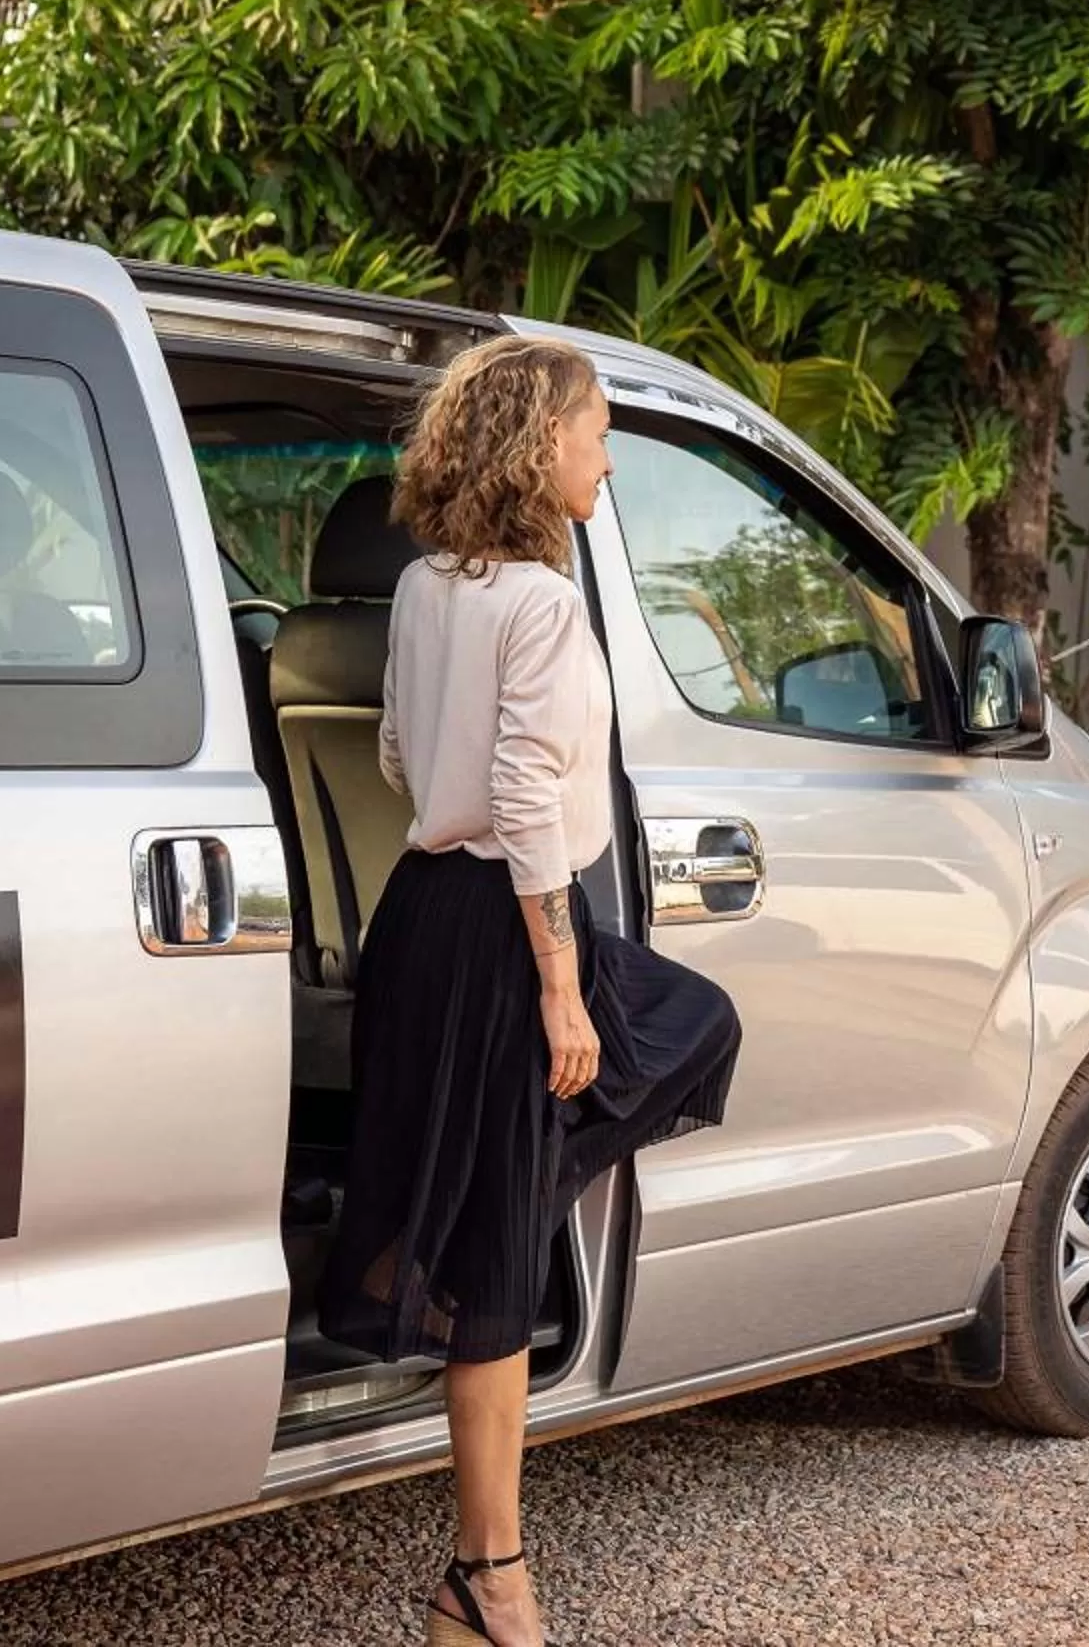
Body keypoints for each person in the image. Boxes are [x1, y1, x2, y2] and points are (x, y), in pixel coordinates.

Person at [316, 334, 741, 1647]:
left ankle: (497, 1203)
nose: (606, 457)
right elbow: (519, 800)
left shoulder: (425, 587)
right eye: (596, 431)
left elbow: (400, 757)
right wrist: (561, 985)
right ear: (540, 443)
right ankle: (486, 1579)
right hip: (507, 930)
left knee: (551, 1154)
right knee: (689, 1029)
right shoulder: (544, 606)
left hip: (420, 918)